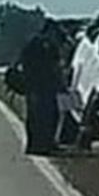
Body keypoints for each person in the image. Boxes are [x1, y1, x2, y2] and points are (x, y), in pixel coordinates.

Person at [14, 20, 67, 156]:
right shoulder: (46, 45)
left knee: (35, 117)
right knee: (46, 117)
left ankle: (35, 145)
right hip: (42, 86)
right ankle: (45, 145)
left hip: (33, 86)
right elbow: (55, 67)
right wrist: (61, 84)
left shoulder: (32, 43)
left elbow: (21, 62)